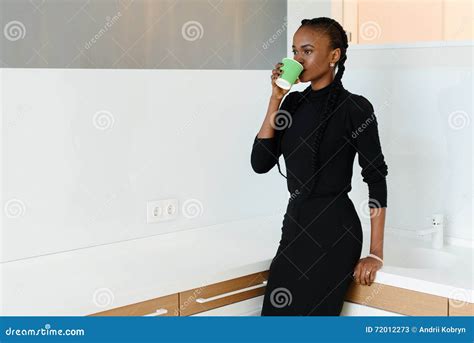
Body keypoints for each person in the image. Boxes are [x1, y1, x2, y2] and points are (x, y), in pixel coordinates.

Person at [250, 17, 388, 316]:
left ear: (334, 55)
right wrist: (275, 99)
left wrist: (375, 253)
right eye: (295, 51)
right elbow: (260, 163)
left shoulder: (355, 108)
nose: (298, 59)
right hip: (295, 228)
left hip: (335, 234)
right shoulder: (291, 106)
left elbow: (376, 179)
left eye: (308, 51)